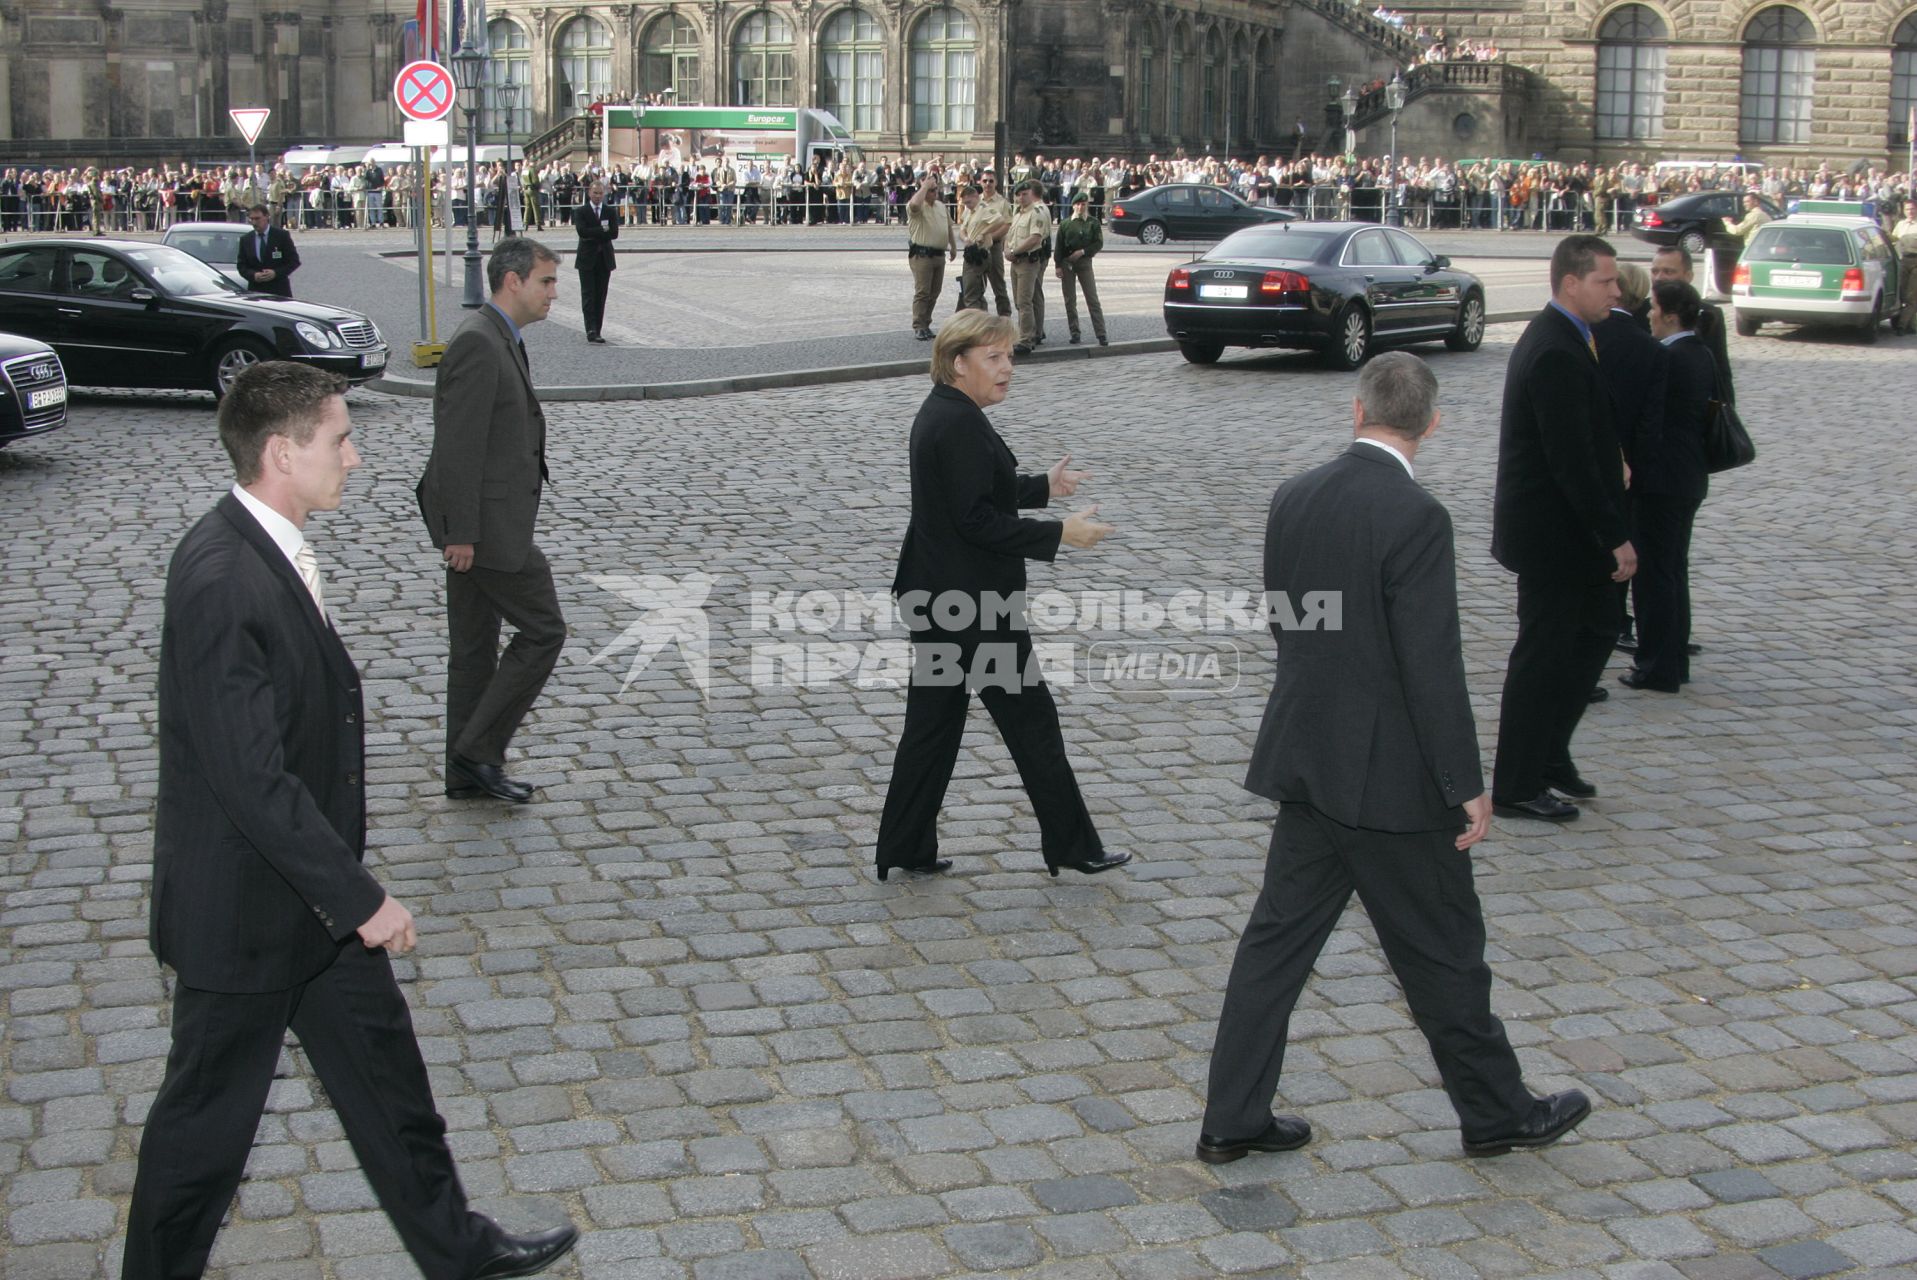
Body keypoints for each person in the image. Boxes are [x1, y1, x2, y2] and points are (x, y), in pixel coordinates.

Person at [123, 361, 578, 1280]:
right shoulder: (222, 577)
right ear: (284, 453)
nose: (356, 457)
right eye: (340, 438)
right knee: (201, 1140)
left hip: (312, 917)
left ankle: (458, 1250)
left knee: (390, 1087)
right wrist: (361, 895)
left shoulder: (268, 551)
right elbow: (249, 779)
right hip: (248, 920)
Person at [1197, 352, 1591, 1166]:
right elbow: (1430, 664)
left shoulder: (1294, 494)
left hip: (1307, 760)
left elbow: (1286, 619)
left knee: (1271, 951)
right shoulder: (1416, 516)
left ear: (1356, 409)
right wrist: (1466, 785)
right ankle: (1495, 1111)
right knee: (1443, 951)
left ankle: (1232, 1116)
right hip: (1390, 784)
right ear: (1431, 424)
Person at [874, 310, 1129, 882]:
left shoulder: (948, 411)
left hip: (939, 595)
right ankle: (1071, 844)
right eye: (994, 357)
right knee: (1031, 722)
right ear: (958, 362)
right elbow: (976, 520)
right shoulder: (958, 421)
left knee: (933, 725)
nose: (1007, 368)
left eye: (1009, 355)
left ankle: (905, 844)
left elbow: (977, 490)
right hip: (973, 608)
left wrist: (1043, 486)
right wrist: (1059, 532)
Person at [416, 238, 567, 803]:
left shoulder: (499, 334)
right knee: (544, 628)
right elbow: (457, 445)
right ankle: (476, 751)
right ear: (512, 281)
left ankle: (465, 775)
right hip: (484, 532)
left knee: (474, 650)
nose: (553, 293)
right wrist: (460, 533)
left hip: (484, 523)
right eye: (546, 282)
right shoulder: (480, 342)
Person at [1490, 235, 1634, 823]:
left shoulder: (1574, 337)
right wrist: (1613, 537)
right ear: (1570, 283)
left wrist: (1614, 455)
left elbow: (1584, 432)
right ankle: (1517, 782)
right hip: (1555, 536)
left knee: (1597, 630)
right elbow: (1566, 459)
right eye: (1606, 281)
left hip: (1569, 532)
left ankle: (1550, 754)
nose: (1617, 290)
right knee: (1543, 656)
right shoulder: (1554, 347)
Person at [1622, 279, 1714, 694]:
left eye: (1654, 309)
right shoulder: (1701, 352)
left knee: (1655, 576)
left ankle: (1656, 664)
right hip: (1688, 476)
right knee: (1673, 571)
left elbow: (1650, 422)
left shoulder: (1669, 357)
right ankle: (1672, 658)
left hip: (1662, 480)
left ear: (1671, 315)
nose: (1649, 316)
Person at [1593, 260, 1666, 684]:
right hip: (1630, 473)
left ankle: (1591, 661)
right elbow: (1650, 427)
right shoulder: (1649, 347)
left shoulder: (1589, 338)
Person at [1649, 245, 1733, 404]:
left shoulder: (1710, 314)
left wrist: (1727, 413)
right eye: (1654, 271)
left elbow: (1721, 369)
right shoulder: (1641, 311)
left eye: (1668, 271)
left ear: (1688, 276)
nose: (1659, 277)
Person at [905, 172, 957, 340]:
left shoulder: (941, 206)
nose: (935, 193)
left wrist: (953, 246)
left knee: (935, 292)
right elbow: (913, 205)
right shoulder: (917, 206)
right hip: (922, 255)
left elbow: (948, 227)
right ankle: (919, 325)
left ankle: (926, 323)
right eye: (931, 190)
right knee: (922, 292)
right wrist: (924, 186)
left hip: (938, 255)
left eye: (936, 190)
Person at [1054, 191, 1109, 346]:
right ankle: (1074, 332)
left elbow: (1098, 243)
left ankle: (1101, 333)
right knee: (1070, 300)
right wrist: (1058, 265)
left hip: (1084, 262)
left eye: (1083, 204)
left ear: (1087, 205)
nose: (1080, 207)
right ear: (1073, 206)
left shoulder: (1093, 223)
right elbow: (1059, 246)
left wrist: (1083, 252)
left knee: (1092, 298)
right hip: (1067, 263)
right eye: (1078, 204)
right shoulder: (1066, 224)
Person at [1007, 180, 1052, 355]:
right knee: (1023, 301)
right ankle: (1033, 333)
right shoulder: (1017, 214)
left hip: (1028, 260)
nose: (1021, 197)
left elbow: (1035, 238)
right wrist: (1007, 250)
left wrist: (1015, 252)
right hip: (1016, 261)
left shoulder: (1037, 212)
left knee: (1025, 301)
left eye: (1025, 193)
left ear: (1031, 194)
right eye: (1018, 194)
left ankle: (1026, 339)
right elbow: (1009, 235)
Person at [573, 177, 619, 344]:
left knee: (601, 295)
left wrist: (596, 232)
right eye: (595, 193)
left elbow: (614, 233)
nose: (598, 196)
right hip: (586, 259)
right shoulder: (581, 212)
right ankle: (590, 329)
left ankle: (597, 329)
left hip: (604, 259)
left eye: (600, 193)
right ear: (589, 193)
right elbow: (582, 232)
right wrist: (601, 230)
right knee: (588, 295)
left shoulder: (610, 211)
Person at [236, 202, 300, 298]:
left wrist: (275, 273)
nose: (254, 222)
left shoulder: (281, 236)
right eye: (251, 219)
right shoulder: (246, 239)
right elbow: (241, 266)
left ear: (266, 217)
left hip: (279, 291)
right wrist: (254, 275)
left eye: (257, 219)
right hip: (256, 292)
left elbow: (294, 261)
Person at [975, 172, 1015, 316]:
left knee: (998, 284)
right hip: (977, 248)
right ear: (980, 182)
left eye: (991, 181)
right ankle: (980, 317)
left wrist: (989, 237)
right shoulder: (975, 201)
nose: (988, 184)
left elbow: (1006, 225)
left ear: (996, 183)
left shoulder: (1003, 203)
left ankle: (1004, 316)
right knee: (976, 284)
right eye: (985, 181)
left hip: (994, 247)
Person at [1891, 198, 1917, 335]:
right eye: (1907, 209)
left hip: (1915, 262)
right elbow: (1893, 240)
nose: (1910, 211)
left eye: (1912, 208)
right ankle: (1910, 325)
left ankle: (1901, 326)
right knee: (1901, 294)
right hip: (1902, 261)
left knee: (1912, 296)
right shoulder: (1900, 224)